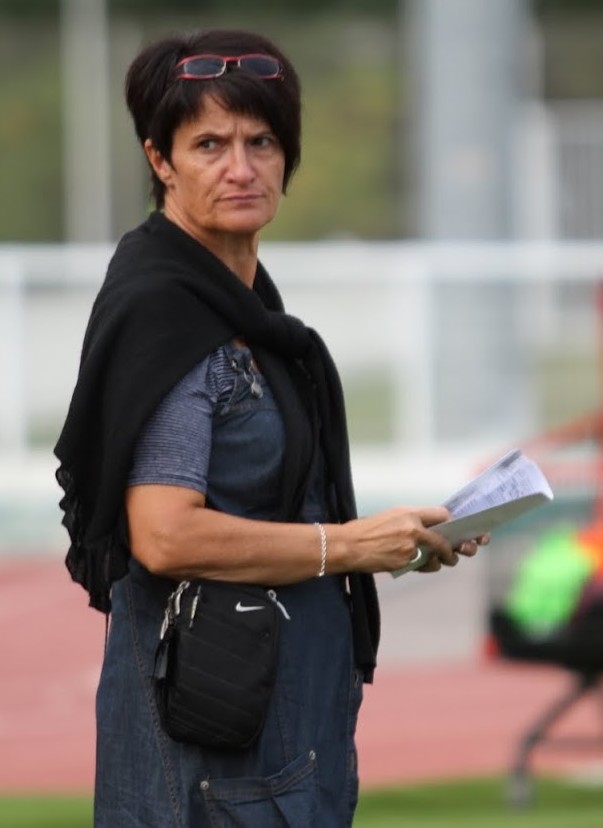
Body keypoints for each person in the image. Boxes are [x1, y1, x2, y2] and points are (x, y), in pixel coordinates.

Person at [54, 28, 485, 827]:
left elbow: (276, 512)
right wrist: (348, 546)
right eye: (208, 145)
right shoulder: (170, 315)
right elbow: (166, 536)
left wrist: (394, 539)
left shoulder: (246, 307)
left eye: (261, 142)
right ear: (159, 160)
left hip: (274, 724)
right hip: (212, 749)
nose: (241, 168)